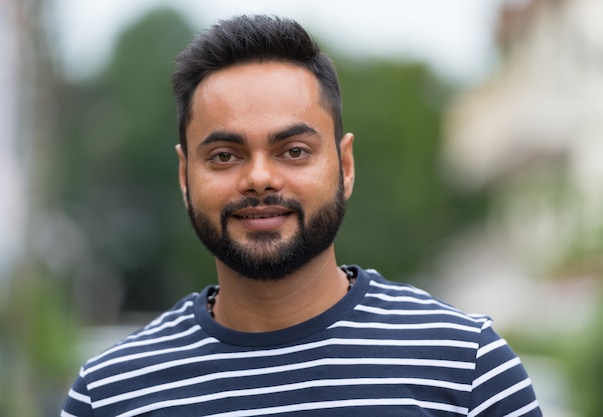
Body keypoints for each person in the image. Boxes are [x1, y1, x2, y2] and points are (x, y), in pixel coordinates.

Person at [61, 14, 542, 417]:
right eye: (225, 156)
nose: (260, 178)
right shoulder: (111, 395)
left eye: (293, 151)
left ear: (345, 166)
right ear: (186, 175)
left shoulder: (466, 369)